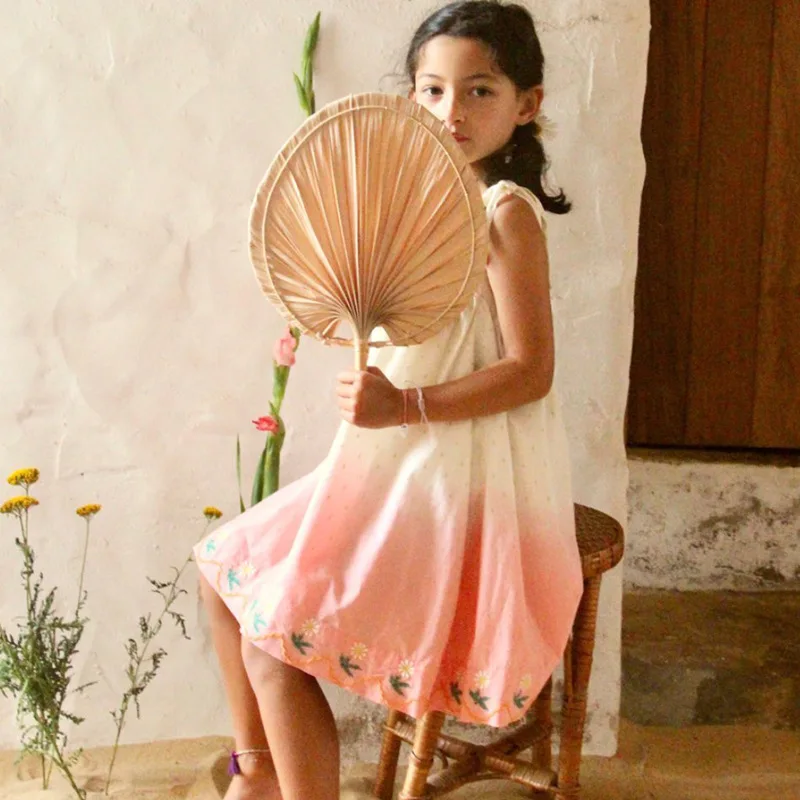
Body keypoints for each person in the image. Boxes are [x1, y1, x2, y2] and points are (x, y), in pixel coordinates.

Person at [195, 2, 582, 798]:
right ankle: (257, 771)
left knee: (269, 642)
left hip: (454, 484)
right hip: (394, 460)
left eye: (479, 91)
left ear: (527, 104)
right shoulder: (429, 204)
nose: (452, 111)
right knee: (221, 569)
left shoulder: (505, 215)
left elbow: (531, 370)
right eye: (432, 90)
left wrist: (402, 406)